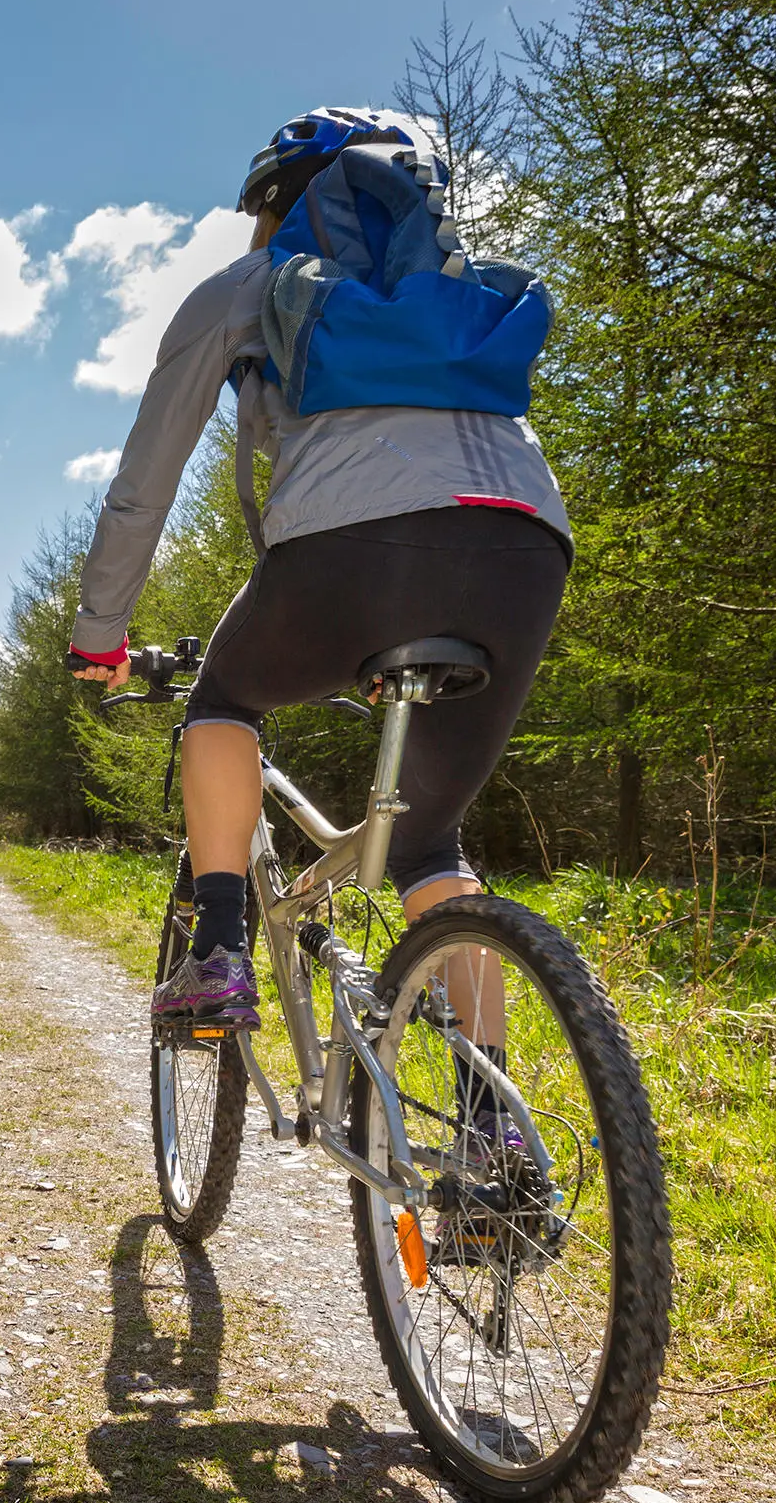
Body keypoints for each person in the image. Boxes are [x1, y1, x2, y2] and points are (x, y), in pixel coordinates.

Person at [68, 108, 572, 1036]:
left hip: (353, 544)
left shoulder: (249, 285)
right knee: (430, 846)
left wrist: (99, 637)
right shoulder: (457, 291)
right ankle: (491, 1131)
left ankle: (218, 952)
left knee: (223, 702)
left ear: (275, 202)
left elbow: (143, 487)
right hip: (528, 546)